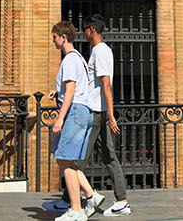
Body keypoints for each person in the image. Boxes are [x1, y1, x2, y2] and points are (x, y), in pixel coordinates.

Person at [48, 21, 103, 221]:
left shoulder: (69, 60)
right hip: (83, 110)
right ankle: (91, 195)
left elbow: (71, 90)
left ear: (63, 37)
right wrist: (58, 92)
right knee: (67, 159)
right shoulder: (79, 58)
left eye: (55, 36)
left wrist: (59, 119)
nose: (53, 40)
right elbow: (74, 88)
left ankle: (77, 210)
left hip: (74, 112)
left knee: (64, 157)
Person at [84, 15, 130, 216]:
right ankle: (122, 200)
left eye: (85, 28)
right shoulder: (100, 50)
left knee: (79, 158)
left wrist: (111, 115)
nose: (83, 32)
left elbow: (106, 84)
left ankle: (73, 201)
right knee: (109, 156)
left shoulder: (100, 51)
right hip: (99, 110)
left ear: (92, 29)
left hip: (97, 111)